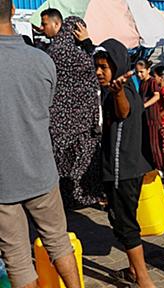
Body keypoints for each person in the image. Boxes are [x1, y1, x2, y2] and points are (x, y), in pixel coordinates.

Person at [0, 1, 81, 287]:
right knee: (59, 242)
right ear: (12, 12)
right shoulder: (42, 60)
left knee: (17, 259)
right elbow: (43, 109)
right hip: (41, 170)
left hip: (3, 183)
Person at [93, 39, 155, 287]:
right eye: (97, 66)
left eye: (104, 67)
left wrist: (116, 93)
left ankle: (144, 280)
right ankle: (132, 270)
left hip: (122, 171)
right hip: (132, 167)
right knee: (125, 220)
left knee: (125, 224)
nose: (98, 72)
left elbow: (123, 111)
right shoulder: (128, 86)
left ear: (117, 67)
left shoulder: (122, 91)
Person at [46, 16, 103, 209]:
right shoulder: (83, 56)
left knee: (60, 158)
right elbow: (98, 70)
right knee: (83, 157)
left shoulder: (51, 52)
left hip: (58, 120)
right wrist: (87, 43)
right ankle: (84, 195)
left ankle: (61, 198)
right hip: (83, 120)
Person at [135, 59, 164, 172]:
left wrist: (144, 105)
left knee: (154, 144)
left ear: (148, 70)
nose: (139, 74)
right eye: (137, 72)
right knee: (147, 143)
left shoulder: (152, 82)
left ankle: (160, 167)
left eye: (141, 72)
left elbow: (157, 96)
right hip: (145, 117)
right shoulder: (142, 82)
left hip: (152, 118)